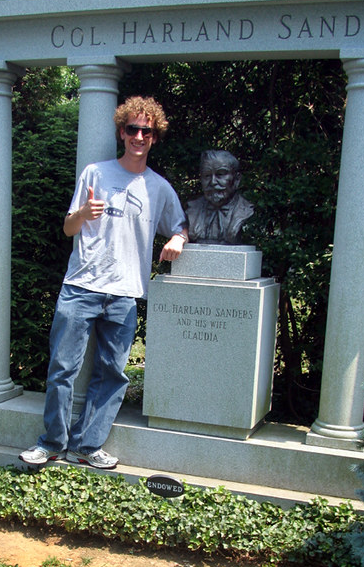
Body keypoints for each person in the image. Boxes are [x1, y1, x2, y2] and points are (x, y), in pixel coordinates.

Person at [19, 96, 188, 469]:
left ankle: (86, 446)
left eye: (146, 130)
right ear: (121, 132)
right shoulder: (95, 173)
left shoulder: (159, 188)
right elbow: (68, 228)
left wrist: (177, 238)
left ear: (154, 136)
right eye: (132, 129)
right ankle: (50, 443)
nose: (139, 136)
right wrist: (82, 213)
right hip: (81, 286)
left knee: (112, 374)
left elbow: (179, 225)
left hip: (126, 294)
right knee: (63, 368)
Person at [186, 150, 254, 244]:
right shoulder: (192, 210)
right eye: (207, 175)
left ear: (237, 179)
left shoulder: (246, 210)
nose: (213, 182)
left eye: (220, 174)